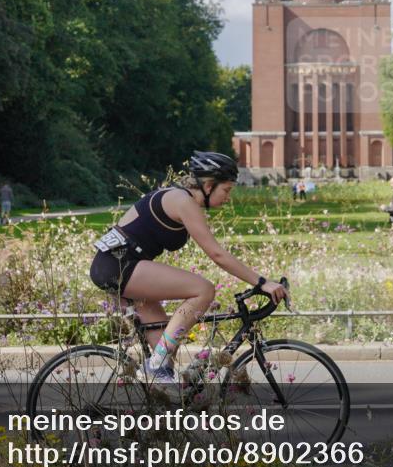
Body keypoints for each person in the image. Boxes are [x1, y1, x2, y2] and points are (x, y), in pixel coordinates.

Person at [88, 151, 288, 383]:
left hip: (118, 266)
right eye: (226, 190)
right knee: (203, 290)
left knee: (165, 352)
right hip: (118, 266)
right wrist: (262, 282)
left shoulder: (179, 197)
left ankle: (162, 393)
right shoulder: (183, 201)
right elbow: (217, 254)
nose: (228, 197)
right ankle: (156, 366)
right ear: (209, 185)